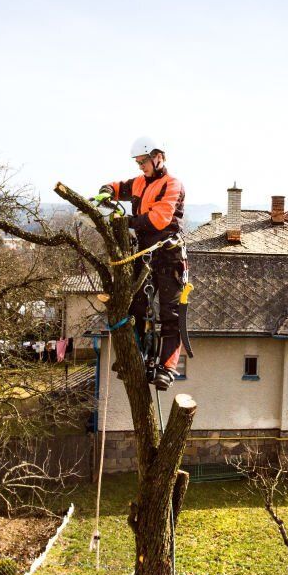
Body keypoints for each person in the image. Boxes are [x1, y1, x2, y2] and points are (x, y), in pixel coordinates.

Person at [100, 136, 186, 390]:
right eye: (138, 162)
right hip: (145, 254)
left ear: (158, 157)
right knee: (134, 307)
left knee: (170, 315)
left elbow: (159, 219)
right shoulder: (138, 183)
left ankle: (167, 368)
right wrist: (105, 191)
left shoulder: (172, 184)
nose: (141, 166)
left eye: (144, 161)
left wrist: (125, 222)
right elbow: (118, 187)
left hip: (168, 255)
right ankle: (135, 358)